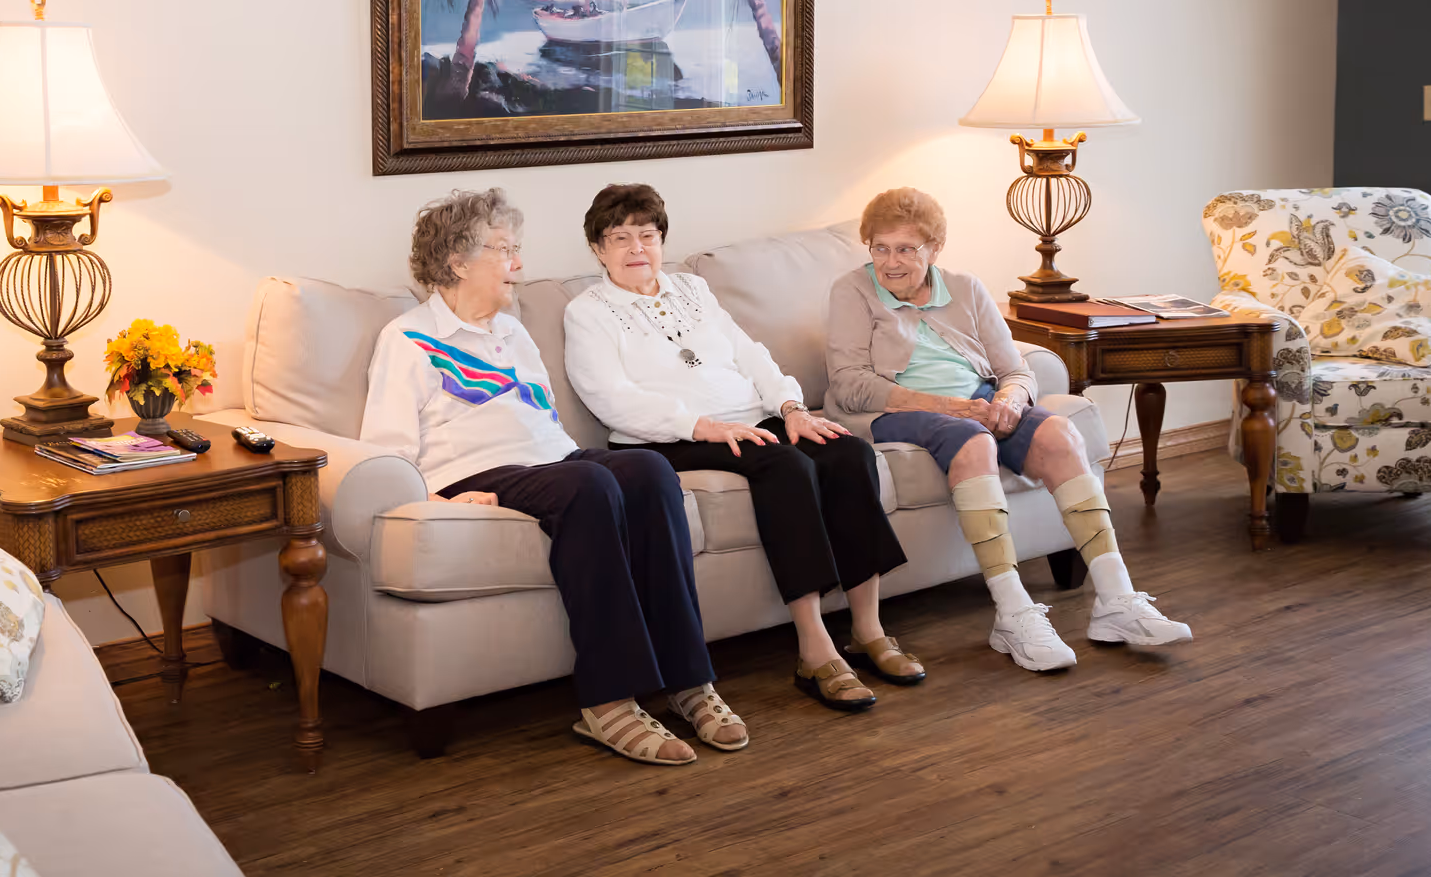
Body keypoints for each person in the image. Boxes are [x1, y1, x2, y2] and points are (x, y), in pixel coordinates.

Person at [361, 187, 747, 766]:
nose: (519, 264)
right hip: (480, 470)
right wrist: (441, 497)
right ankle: (607, 701)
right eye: (504, 250)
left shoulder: (513, 332)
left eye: (518, 249)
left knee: (648, 470)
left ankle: (689, 680)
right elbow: (384, 452)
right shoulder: (408, 339)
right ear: (457, 262)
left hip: (552, 461)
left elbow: (546, 424)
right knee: (590, 487)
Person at [564, 184, 921, 713]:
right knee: (786, 466)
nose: (637, 248)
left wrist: (793, 408)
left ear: (662, 240)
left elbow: (750, 355)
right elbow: (610, 399)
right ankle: (814, 648)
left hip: (753, 421)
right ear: (598, 249)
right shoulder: (587, 311)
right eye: (621, 238)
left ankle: (868, 631)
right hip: (671, 440)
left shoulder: (692, 289)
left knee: (847, 451)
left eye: (647, 235)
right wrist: (704, 426)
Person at [824, 186, 1192, 672]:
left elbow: (1016, 370)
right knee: (974, 438)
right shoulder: (852, 291)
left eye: (906, 249)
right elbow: (848, 384)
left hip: (975, 403)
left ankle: (1116, 601)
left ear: (935, 249)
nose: (891, 262)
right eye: (880, 248)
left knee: (1060, 433)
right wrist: (950, 407)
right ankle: (1013, 613)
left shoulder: (966, 288)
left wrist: (1008, 400)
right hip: (896, 410)